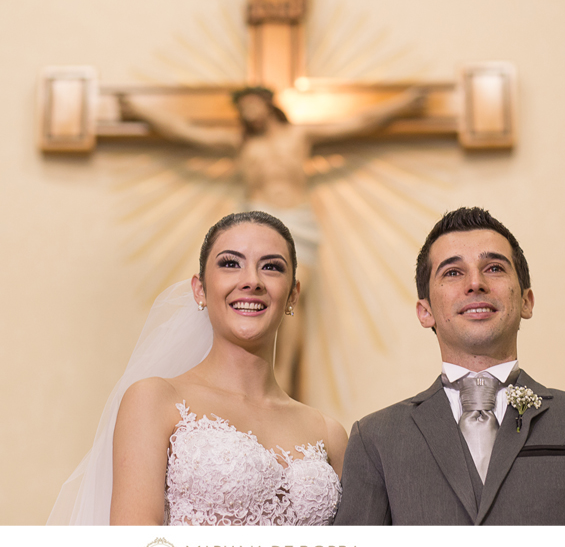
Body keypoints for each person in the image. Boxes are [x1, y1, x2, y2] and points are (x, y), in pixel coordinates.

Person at [334, 207, 565, 525]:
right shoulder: (375, 438)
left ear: (526, 301)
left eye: (494, 268)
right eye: (453, 272)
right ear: (424, 311)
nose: (475, 283)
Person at [119, 86, 425, 398]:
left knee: (289, 307)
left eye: (252, 106)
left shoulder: (298, 136)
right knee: (249, 307)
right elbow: (185, 131)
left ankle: (284, 388)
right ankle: (247, 384)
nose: (248, 115)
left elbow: (359, 122)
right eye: (242, 111)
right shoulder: (239, 144)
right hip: (257, 227)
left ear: (267, 104)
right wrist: (141, 110)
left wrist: (402, 103)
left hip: (298, 227)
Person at [48, 211, 347, 525]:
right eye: (230, 263)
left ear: (293, 295)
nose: (252, 281)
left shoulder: (329, 434)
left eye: (271, 267)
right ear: (200, 289)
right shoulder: (154, 400)